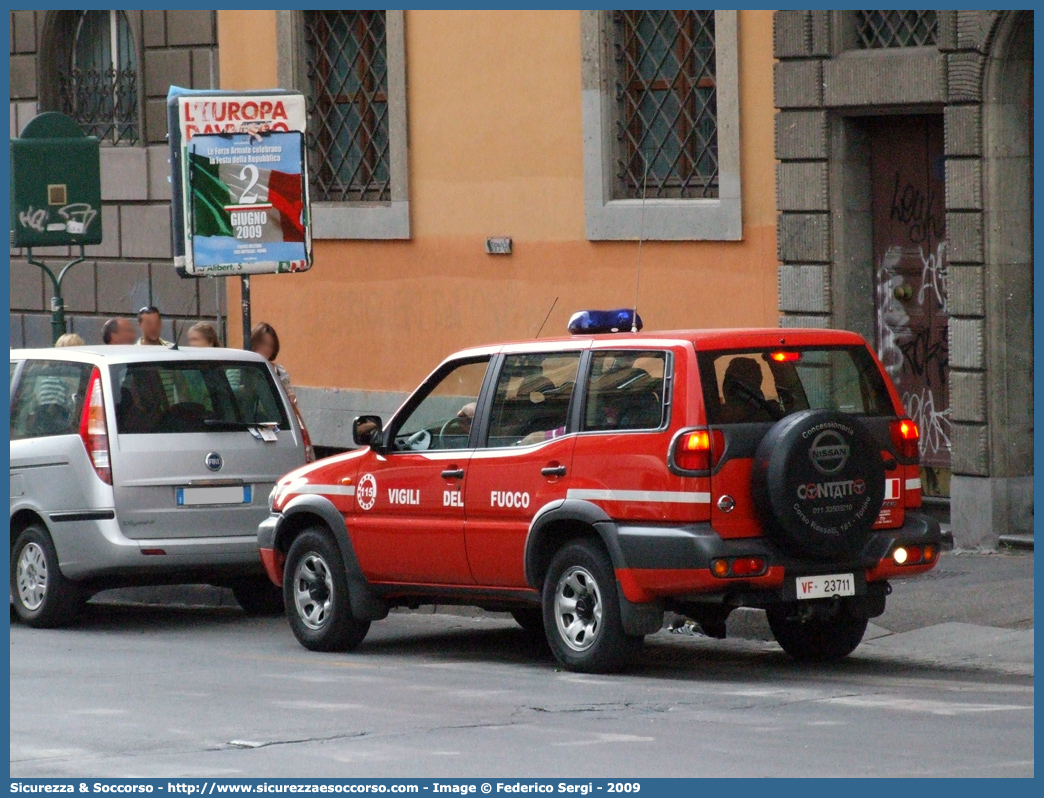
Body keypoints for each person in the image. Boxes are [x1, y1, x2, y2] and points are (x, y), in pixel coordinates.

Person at [250, 322, 294, 401]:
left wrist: (291, 400)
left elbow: (290, 396)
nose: (266, 349)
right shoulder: (240, 366)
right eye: (263, 343)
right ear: (253, 342)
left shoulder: (279, 371)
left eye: (270, 345)